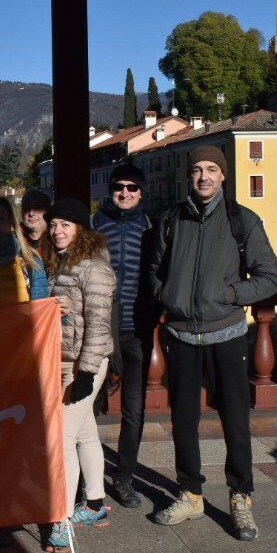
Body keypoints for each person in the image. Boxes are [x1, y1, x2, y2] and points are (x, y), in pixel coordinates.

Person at [146, 145, 277, 542]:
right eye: (196, 170)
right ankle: (190, 494)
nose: (203, 176)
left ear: (223, 175)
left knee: (235, 422)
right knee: (183, 422)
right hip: (182, 336)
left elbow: (270, 277)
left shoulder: (243, 221)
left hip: (227, 336)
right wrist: (168, 295)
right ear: (188, 177)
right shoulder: (171, 219)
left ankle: (241, 497)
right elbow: (154, 270)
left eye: (211, 170)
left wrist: (231, 294)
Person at [40, 198, 116, 553]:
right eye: (53, 224)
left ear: (80, 229)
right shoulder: (61, 262)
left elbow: (100, 325)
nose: (57, 231)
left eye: (65, 225)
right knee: (85, 434)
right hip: (63, 359)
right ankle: (96, 505)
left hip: (84, 363)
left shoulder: (93, 268)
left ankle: (62, 519)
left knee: (64, 437)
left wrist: (85, 373)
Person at [91, 163, 156, 509]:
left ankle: (125, 476)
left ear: (141, 192)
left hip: (137, 331)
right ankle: (86, 474)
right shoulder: (94, 226)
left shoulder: (151, 227)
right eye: (120, 186)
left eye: (133, 187)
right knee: (88, 405)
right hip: (100, 329)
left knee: (134, 408)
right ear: (110, 190)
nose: (126, 192)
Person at [19, 189, 51, 255]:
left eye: (37, 208)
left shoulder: (57, 239)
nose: (31, 213)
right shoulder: (12, 242)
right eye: (26, 208)